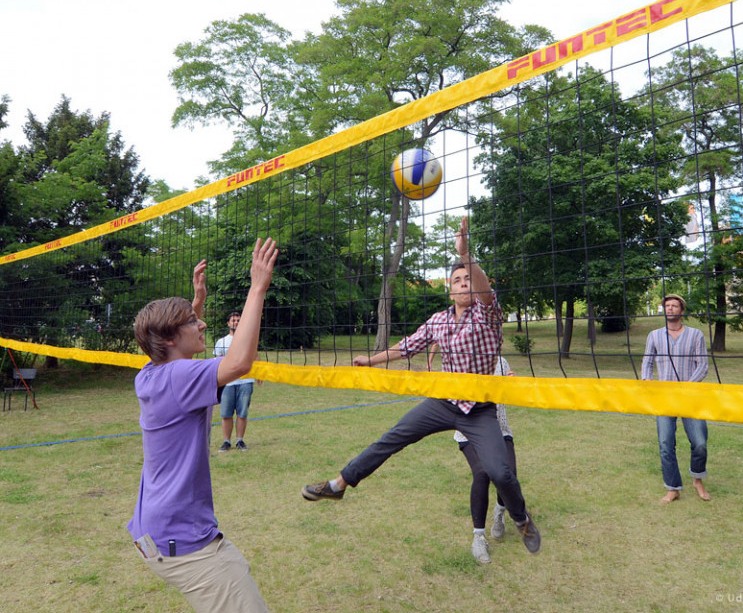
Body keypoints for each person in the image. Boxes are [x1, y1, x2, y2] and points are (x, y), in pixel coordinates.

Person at [301, 216, 541, 555]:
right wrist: (371, 360)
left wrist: (466, 255)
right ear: (449, 289)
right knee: (392, 438)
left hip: (479, 410)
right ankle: (338, 484)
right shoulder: (439, 320)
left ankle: (521, 518)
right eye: (457, 280)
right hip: (443, 402)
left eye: (467, 279)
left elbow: (486, 291)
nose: (463, 284)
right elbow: (406, 346)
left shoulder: (487, 314)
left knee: (500, 473)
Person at [127, 238, 278, 613]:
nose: (203, 323)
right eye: (194, 322)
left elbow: (174, 347)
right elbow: (240, 362)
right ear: (169, 338)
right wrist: (258, 286)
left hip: (154, 531)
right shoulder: (179, 378)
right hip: (183, 541)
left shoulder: (151, 373)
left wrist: (196, 302)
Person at [641, 293, 711, 503]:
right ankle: (673, 488)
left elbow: (703, 365)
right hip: (664, 398)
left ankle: (697, 479)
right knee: (665, 444)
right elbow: (647, 362)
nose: (670, 308)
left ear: (682, 310)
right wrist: (647, 380)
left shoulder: (696, 335)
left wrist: (685, 387)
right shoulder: (654, 335)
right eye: (667, 306)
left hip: (690, 396)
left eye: (674, 305)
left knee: (700, 443)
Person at [453, 356, 517, 564]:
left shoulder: (501, 363)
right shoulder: (463, 360)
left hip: (500, 429)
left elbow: (506, 397)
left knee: (508, 474)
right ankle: (478, 537)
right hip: (469, 431)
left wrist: (512, 386)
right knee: (482, 473)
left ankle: (499, 511)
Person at [214, 311, 260, 452]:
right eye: (234, 320)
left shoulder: (249, 340)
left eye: (239, 320)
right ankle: (226, 441)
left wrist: (259, 375)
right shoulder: (222, 342)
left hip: (245, 382)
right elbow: (217, 362)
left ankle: (240, 440)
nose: (236, 323)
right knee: (226, 414)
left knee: (242, 413)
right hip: (227, 383)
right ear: (228, 323)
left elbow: (255, 357)